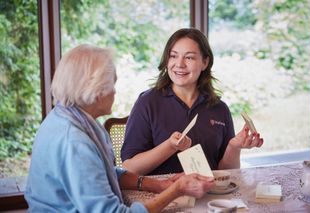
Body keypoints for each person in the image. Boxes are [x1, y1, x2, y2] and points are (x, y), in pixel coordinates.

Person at [24, 44, 214, 212]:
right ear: (97, 92)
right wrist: (176, 190)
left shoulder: (69, 117)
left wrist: (160, 184)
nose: (115, 91)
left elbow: (103, 172)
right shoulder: (74, 141)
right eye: (112, 85)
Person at [121, 28, 264, 175]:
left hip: (209, 195)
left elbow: (226, 174)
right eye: (173, 56)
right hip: (164, 195)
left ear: (205, 62)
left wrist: (234, 147)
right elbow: (130, 168)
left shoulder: (219, 109)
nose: (179, 64)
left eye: (189, 57)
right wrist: (170, 146)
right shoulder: (147, 102)